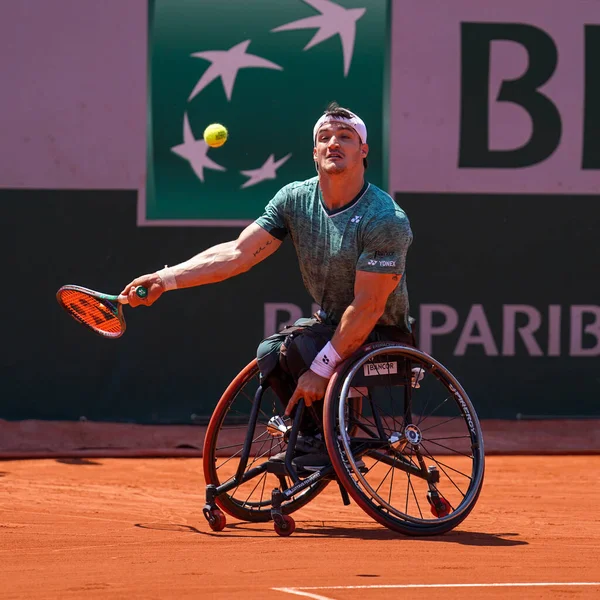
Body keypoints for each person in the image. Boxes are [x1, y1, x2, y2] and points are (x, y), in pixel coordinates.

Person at [121, 102, 414, 472]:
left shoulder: (385, 219)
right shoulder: (295, 200)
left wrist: (321, 369)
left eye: (345, 137)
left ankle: (324, 443)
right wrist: (166, 279)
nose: (333, 144)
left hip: (383, 336)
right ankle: (314, 438)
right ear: (314, 152)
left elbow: (369, 306)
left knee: (303, 348)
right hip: (329, 326)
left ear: (363, 150)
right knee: (271, 351)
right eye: (324, 138)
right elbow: (237, 253)